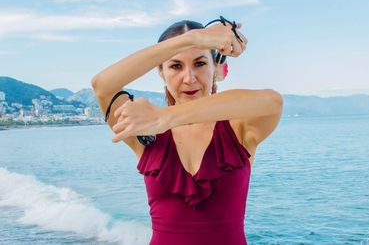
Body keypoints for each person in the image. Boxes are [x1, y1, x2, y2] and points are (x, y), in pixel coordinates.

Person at [91, 17, 283, 245]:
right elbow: (102, 85)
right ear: (160, 72)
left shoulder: (238, 128)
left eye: (200, 63)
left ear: (216, 68)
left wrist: (165, 118)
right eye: (175, 66)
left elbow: (273, 101)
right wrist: (191, 39)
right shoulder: (143, 129)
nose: (189, 78)